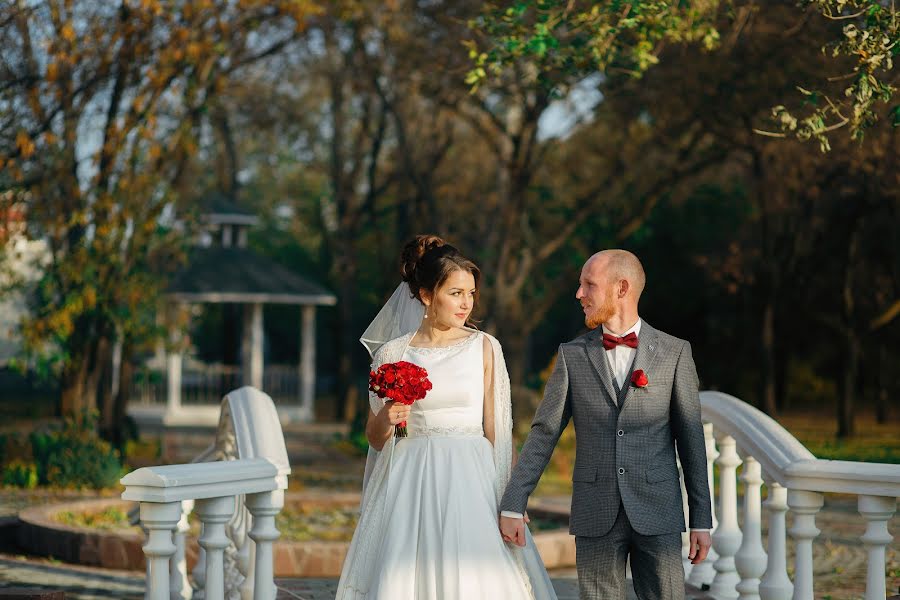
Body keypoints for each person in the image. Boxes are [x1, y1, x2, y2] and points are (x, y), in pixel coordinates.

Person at [336, 235, 556, 600]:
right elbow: (374, 438)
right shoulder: (393, 353)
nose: (466, 303)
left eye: (470, 294)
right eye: (455, 293)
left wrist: (513, 502)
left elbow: (499, 431)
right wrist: (389, 416)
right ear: (426, 295)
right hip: (408, 479)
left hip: (472, 481)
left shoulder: (484, 347)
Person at [498, 249, 712, 600]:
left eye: (588, 285)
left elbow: (692, 441)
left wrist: (701, 519)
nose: (578, 294)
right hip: (595, 510)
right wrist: (513, 502)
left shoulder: (675, 352)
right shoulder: (572, 355)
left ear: (621, 288)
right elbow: (545, 433)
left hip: (658, 509)